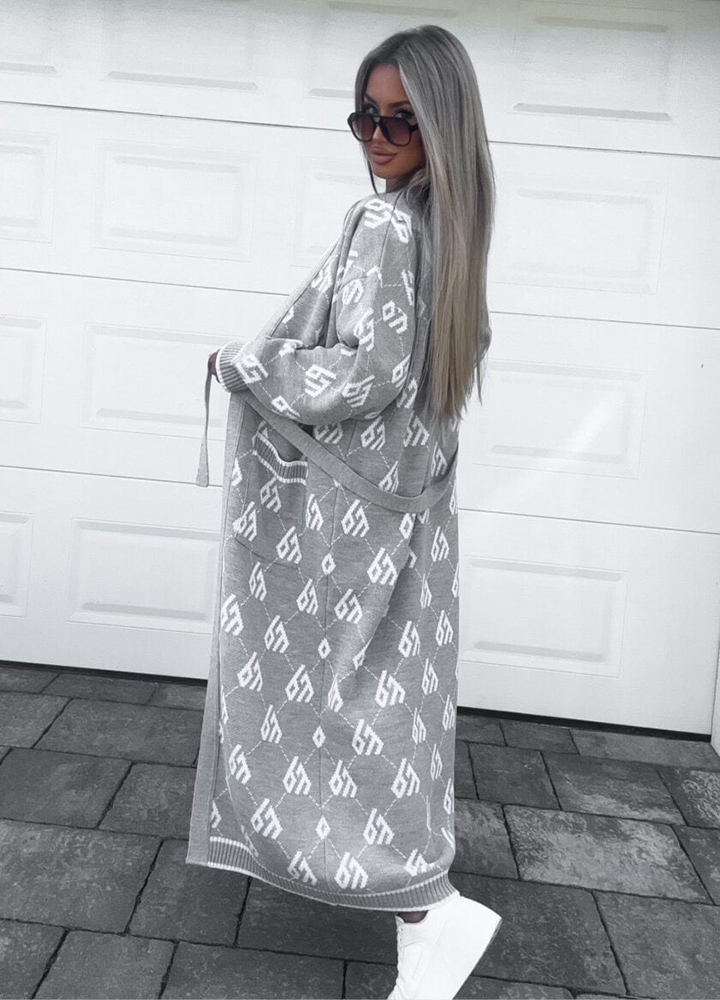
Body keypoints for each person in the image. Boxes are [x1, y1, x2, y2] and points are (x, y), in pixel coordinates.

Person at [188, 24, 501, 1000]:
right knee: (397, 709)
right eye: (366, 115)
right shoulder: (452, 231)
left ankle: (430, 914)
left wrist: (247, 361)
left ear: (443, 128)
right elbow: (424, 380)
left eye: (403, 120)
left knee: (342, 700)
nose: (378, 136)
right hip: (417, 521)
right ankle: (426, 919)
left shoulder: (386, 226)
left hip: (364, 527)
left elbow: (367, 374)